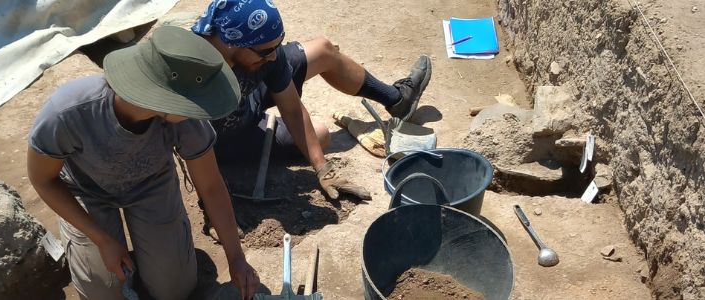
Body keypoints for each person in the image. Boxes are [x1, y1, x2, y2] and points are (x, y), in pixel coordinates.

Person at [26, 26, 259, 300]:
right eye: (195, 104)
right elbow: (42, 179)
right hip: (86, 192)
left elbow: (210, 186)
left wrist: (236, 258)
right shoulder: (68, 112)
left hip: (151, 184)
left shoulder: (186, 120)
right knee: (104, 293)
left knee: (174, 291)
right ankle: (102, 241)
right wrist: (102, 240)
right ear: (166, 102)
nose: (201, 111)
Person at [192, 0, 432, 200]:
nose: (274, 55)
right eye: (266, 50)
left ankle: (397, 100)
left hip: (246, 96)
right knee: (319, 135)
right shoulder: (194, 76)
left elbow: (293, 111)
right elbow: (190, 149)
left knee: (323, 50)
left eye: (277, 45)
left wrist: (322, 169)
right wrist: (214, 203)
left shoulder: (263, 55)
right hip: (226, 136)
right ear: (232, 42)